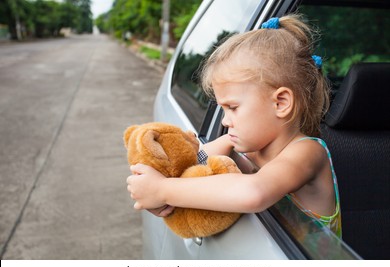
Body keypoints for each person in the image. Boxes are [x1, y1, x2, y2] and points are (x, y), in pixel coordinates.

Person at [127, 14, 342, 237]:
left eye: (233, 108)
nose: (224, 120)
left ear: (280, 103)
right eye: (222, 109)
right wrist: (157, 192)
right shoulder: (248, 147)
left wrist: (163, 190)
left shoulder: (308, 152)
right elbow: (191, 162)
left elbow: (254, 192)